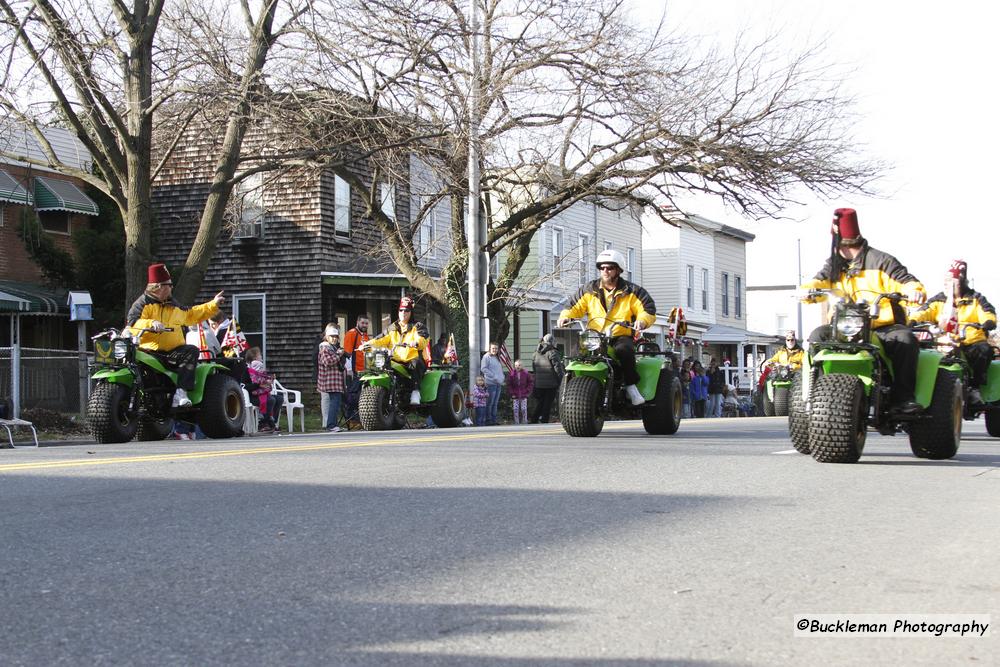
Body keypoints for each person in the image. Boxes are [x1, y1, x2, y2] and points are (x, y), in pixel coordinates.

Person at [800, 208, 926, 414]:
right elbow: (819, 281)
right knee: (816, 337)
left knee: (905, 340)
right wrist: (807, 291)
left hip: (883, 326)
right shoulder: (835, 265)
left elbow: (907, 281)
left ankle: (902, 399)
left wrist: (914, 292)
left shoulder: (882, 261)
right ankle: (815, 396)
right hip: (845, 326)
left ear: (840, 241)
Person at [557, 248, 656, 406]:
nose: (605, 271)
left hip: (619, 335)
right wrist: (565, 317)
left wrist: (642, 321)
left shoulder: (632, 291)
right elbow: (573, 306)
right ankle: (569, 386)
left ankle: (631, 386)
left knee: (625, 351)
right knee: (575, 353)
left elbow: (647, 309)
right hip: (594, 336)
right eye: (602, 267)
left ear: (618, 270)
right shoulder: (589, 290)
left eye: (609, 267)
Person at [126, 263, 224, 407]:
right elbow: (131, 325)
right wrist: (150, 323)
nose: (172, 288)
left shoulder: (173, 304)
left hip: (173, 352)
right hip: (149, 352)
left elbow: (192, 314)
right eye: (169, 285)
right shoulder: (142, 304)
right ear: (159, 286)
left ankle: (181, 393)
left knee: (191, 351)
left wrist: (213, 305)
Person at [910, 259, 997, 406]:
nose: (948, 284)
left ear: (962, 281)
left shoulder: (976, 299)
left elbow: (987, 312)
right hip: (944, 341)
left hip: (970, 341)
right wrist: (912, 321)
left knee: (984, 351)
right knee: (919, 353)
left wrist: (988, 322)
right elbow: (924, 312)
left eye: (952, 280)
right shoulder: (939, 300)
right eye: (946, 280)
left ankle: (975, 388)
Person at [368, 296, 430, 405]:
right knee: (382, 365)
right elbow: (380, 338)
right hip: (396, 360)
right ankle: (383, 391)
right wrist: (368, 344)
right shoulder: (393, 327)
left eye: (406, 310)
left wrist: (416, 343)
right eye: (401, 310)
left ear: (411, 312)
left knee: (416, 364)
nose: (403, 313)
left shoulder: (418, 326)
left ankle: (416, 391)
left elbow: (423, 339)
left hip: (411, 360)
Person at [245, 347, 284, 432]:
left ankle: (273, 422)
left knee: (279, 399)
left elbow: (263, 379)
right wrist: (259, 385)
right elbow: (245, 386)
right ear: (254, 358)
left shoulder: (259, 369)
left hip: (262, 393)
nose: (261, 356)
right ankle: (263, 423)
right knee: (271, 400)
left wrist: (269, 380)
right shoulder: (247, 371)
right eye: (259, 355)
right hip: (252, 395)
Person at [317, 324, 347, 431]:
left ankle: (333, 424)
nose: (334, 339)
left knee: (336, 403)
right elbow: (327, 361)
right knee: (334, 403)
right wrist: (338, 354)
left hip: (335, 381)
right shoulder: (324, 347)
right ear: (327, 337)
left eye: (336, 336)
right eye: (332, 336)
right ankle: (331, 425)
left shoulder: (332, 347)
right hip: (329, 381)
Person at [341, 315, 371, 424]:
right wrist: (349, 370)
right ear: (358, 322)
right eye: (363, 323)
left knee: (360, 395)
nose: (364, 325)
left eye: (366, 323)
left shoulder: (366, 336)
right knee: (352, 394)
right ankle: (350, 417)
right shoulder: (352, 333)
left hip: (364, 371)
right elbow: (347, 352)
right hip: (354, 371)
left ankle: (359, 418)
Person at [530, 333, 564, 423]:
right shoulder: (553, 352)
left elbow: (534, 368)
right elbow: (558, 368)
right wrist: (562, 380)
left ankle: (534, 419)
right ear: (552, 342)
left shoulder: (535, 353)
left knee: (541, 402)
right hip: (551, 382)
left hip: (539, 383)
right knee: (547, 403)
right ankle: (544, 419)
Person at [480, 342, 505, 425]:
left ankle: (494, 420)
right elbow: (483, 369)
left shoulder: (496, 357)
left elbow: (499, 370)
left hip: (498, 383)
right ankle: (488, 420)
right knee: (490, 403)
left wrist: (502, 377)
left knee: (495, 403)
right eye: (493, 348)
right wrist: (494, 376)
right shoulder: (486, 357)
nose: (495, 350)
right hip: (491, 383)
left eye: (496, 348)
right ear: (490, 348)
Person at [506, 359, 534, 424]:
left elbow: (530, 383)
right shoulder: (512, 373)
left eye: (519, 365)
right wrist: (512, 393)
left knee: (523, 409)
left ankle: (524, 421)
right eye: (516, 365)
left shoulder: (526, 373)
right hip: (515, 395)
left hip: (524, 394)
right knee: (515, 409)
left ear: (522, 366)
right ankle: (516, 422)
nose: (517, 366)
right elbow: (509, 384)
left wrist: (527, 391)